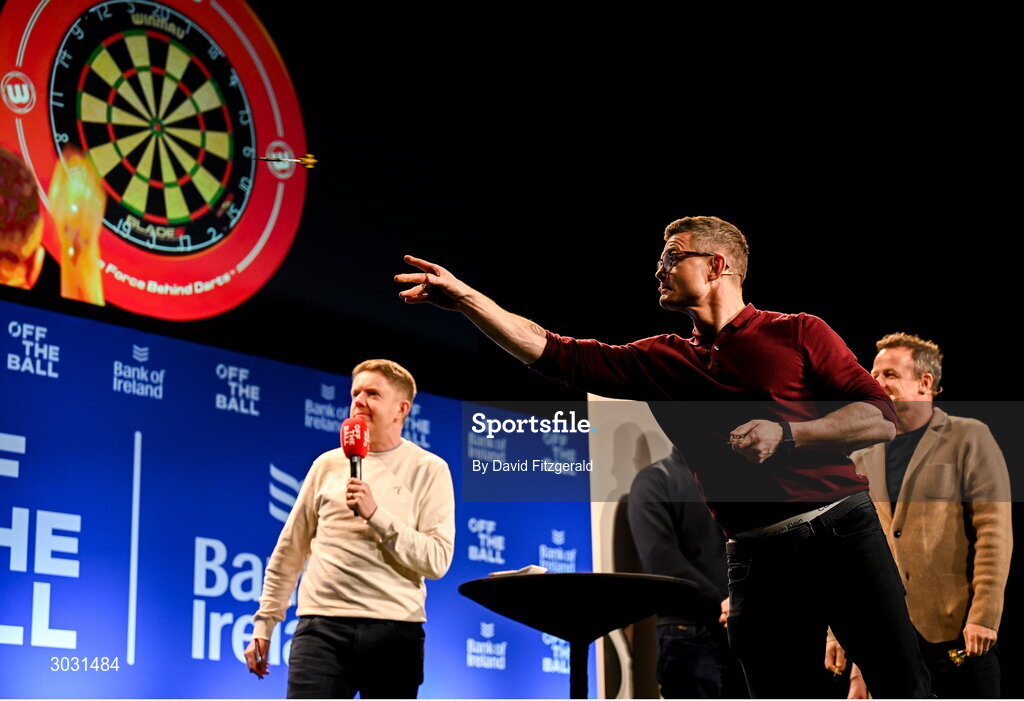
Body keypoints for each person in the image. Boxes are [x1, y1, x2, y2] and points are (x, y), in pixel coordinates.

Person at [395, 216, 930, 698]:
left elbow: (880, 417)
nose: (659, 268)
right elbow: (553, 351)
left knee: (901, 683)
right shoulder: (661, 360)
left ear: (717, 265)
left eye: (673, 256)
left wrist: (789, 434)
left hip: (840, 532)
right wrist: (467, 300)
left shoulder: (797, 332)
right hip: (757, 559)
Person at [244, 359, 456, 699]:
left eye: (372, 393)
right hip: (321, 628)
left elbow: (437, 560)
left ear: (401, 409)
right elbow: (291, 549)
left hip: (396, 632)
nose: (359, 401)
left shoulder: (429, 470)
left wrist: (377, 515)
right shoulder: (327, 465)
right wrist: (264, 623)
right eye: (355, 393)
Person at [825, 333, 1011, 698]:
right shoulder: (861, 451)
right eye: (873, 373)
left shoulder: (968, 437)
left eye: (889, 374)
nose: (875, 382)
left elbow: (993, 531)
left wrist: (984, 615)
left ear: (925, 383)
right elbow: (847, 552)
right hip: (885, 638)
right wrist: (839, 634)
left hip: (954, 631)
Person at [628, 447, 746, 699]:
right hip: (689, 631)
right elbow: (660, 560)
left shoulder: (735, 480)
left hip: (741, 630)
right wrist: (724, 602)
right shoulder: (655, 480)